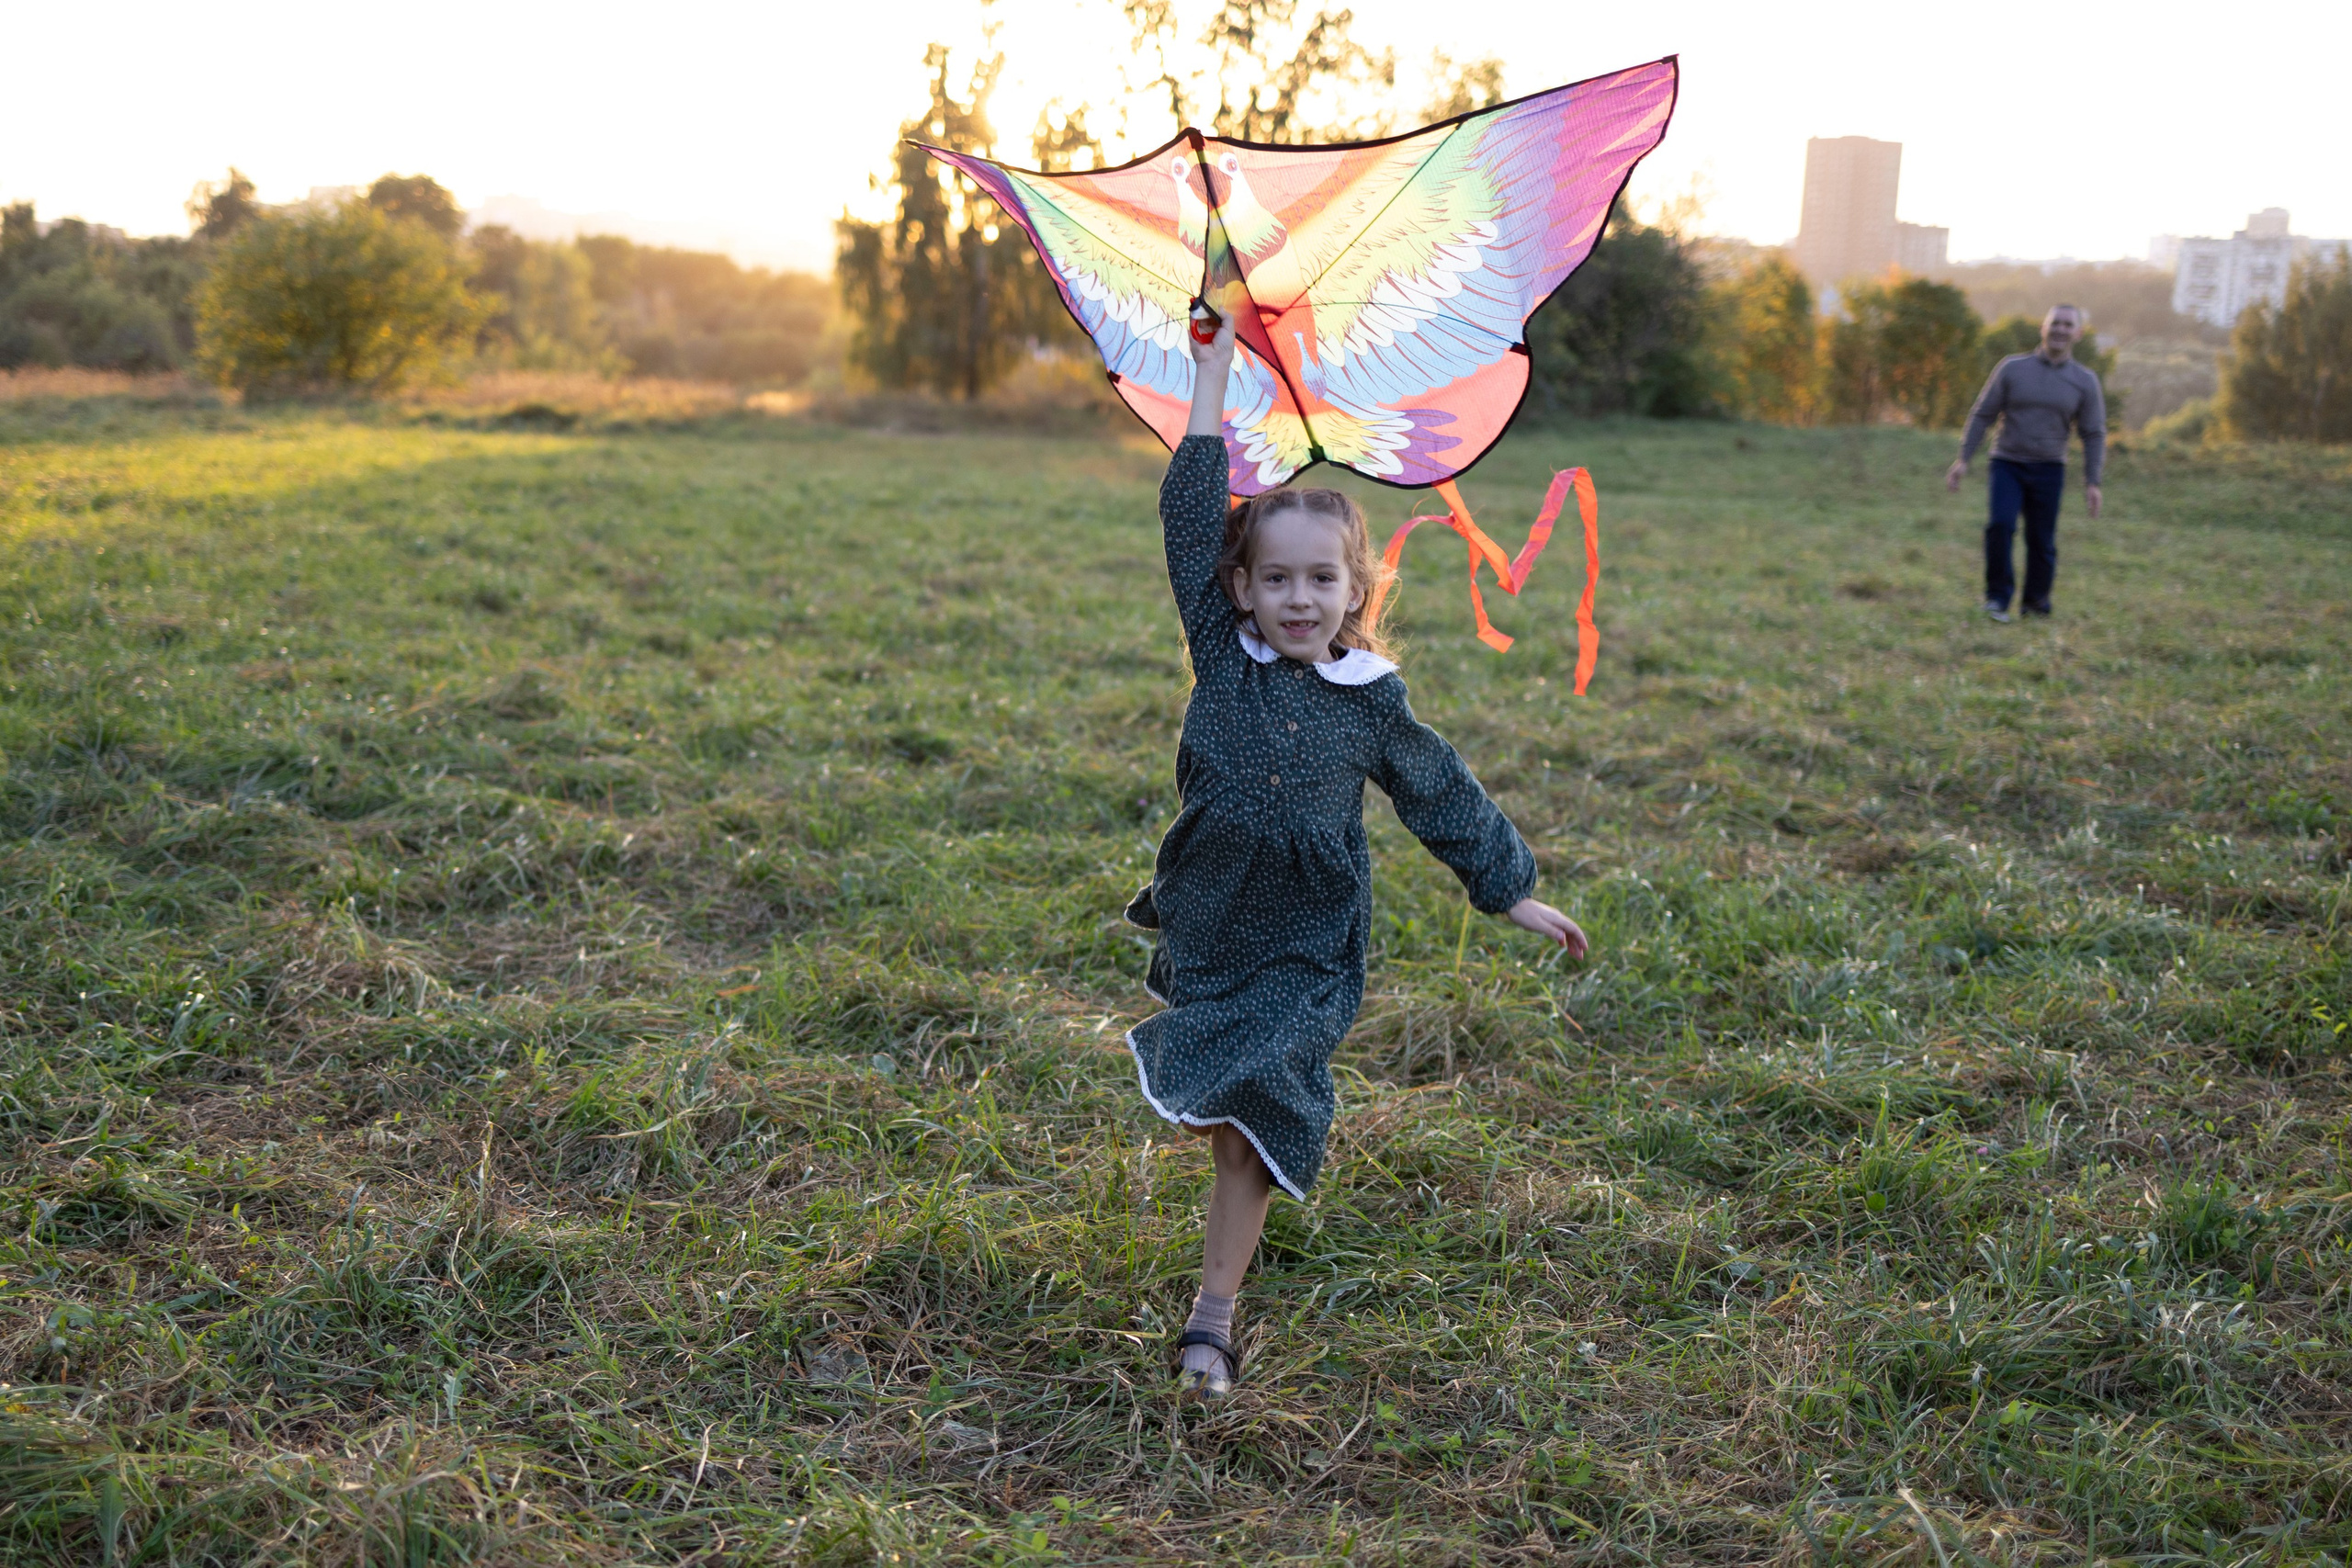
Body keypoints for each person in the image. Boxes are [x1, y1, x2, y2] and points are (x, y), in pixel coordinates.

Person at [1130, 312, 1589, 1401]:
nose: (1297, 600)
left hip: (1309, 937)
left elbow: (1442, 793)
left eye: (1320, 583)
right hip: (1212, 920)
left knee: (1252, 1104)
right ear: (1241, 590)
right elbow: (1190, 515)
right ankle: (1224, 1261)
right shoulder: (1221, 657)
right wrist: (1209, 384)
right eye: (1276, 580)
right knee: (1222, 1105)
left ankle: (1213, 1318)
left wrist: (1509, 889)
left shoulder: (1370, 702)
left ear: (1355, 593)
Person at [1944, 304, 2107, 622]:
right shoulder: (2012, 368)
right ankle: (1997, 599)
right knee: (2000, 526)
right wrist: (1963, 458)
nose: (2060, 329)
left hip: (2050, 467)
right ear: (2042, 328)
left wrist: (2093, 482)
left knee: (2041, 539)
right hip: (2007, 462)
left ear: (2077, 333)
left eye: (2067, 324)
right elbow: (1983, 413)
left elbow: (2093, 433)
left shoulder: (2084, 381)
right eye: (2054, 323)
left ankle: (2035, 605)